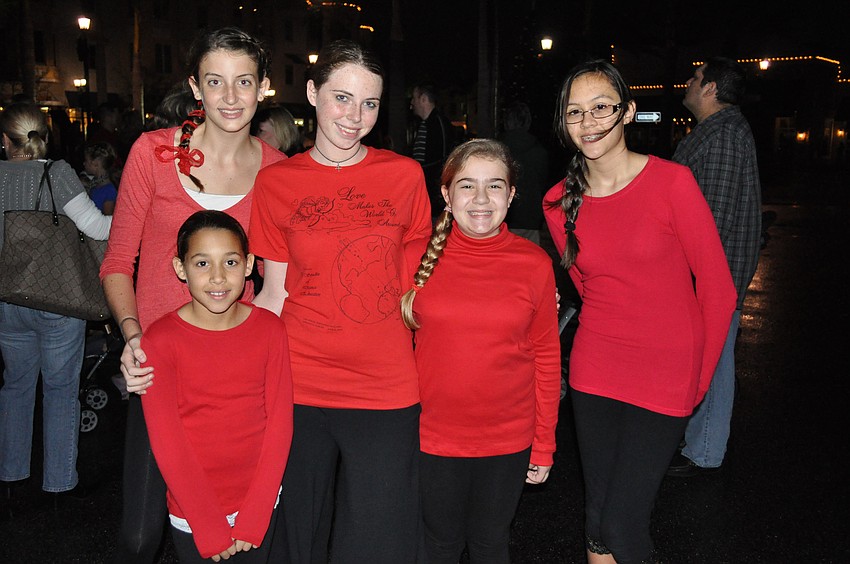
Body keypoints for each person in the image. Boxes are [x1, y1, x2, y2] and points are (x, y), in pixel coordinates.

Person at [100, 27, 285, 563]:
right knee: (140, 536)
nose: (230, 97)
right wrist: (133, 339)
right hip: (159, 365)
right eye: (215, 82)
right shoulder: (153, 154)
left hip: (236, 375)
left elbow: (279, 279)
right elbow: (117, 263)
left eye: (244, 82)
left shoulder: (277, 171)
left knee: (232, 526)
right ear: (195, 87)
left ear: (264, 87)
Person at [542, 60, 737, 563]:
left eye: (601, 108)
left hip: (667, 371)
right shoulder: (558, 202)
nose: (588, 123)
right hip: (595, 369)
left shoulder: (673, 184)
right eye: (574, 113)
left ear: (627, 112)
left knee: (623, 525)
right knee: (596, 522)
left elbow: (718, 289)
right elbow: (588, 287)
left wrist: (698, 378)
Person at [249, 39, 431, 562]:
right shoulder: (276, 182)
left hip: (387, 384)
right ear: (312, 92)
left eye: (369, 103)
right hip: (299, 380)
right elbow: (273, 292)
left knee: (378, 538)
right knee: (294, 535)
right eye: (342, 98)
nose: (355, 116)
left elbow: (422, 280)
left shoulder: (403, 176)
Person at [400, 138, 561, 563]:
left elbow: (546, 357)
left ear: (511, 195)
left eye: (494, 186)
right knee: (440, 544)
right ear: (446, 195)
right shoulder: (414, 258)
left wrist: (543, 442)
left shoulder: (534, 264)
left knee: (491, 543)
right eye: (467, 185)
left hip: (508, 439)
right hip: (432, 437)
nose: (481, 199)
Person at [141, 210, 293, 563]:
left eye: (230, 261)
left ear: (249, 263)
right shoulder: (161, 340)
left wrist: (256, 513)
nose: (218, 277)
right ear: (180, 268)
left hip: (260, 504)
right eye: (201, 264)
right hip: (193, 513)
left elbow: (280, 424)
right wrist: (207, 522)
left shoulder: (270, 330)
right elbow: (167, 440)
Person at [0, 102, 111, 499]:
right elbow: (96, 227)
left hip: (7, 301)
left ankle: (11, 473)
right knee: (61, 390)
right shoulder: (57, 172)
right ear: (45, 136)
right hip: (57, 299)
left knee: (15, 385)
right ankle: (59, 481)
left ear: (4, 140)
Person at [667, 57, 762, 478]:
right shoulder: (718, 132)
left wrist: (685, 275)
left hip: (713, 277)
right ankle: (698, 444)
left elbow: (712, 219)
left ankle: (704, 451)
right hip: (712, 274)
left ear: (711, 89)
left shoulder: (722, 136)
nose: (688, 82)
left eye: (696, 78)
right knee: (710, 356)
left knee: (715, 359)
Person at [498, 101, 550, 245]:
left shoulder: (495, 151)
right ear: (528, 122)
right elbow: (542, 184)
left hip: (501, 215)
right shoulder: (539, 152)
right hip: (530, 216)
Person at [410, 82, 452, 218]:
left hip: (434, 195)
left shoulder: (438, 123)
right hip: (425, 191)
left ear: (423, 99)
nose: (412, 103)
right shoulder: (424, 124)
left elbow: (443, 158)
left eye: (414, 98)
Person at [81, 141, 119, 214]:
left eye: (86, 160)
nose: (84, 163)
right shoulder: (94, 183)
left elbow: (107, 219)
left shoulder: (109, 190)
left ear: (95, 163)